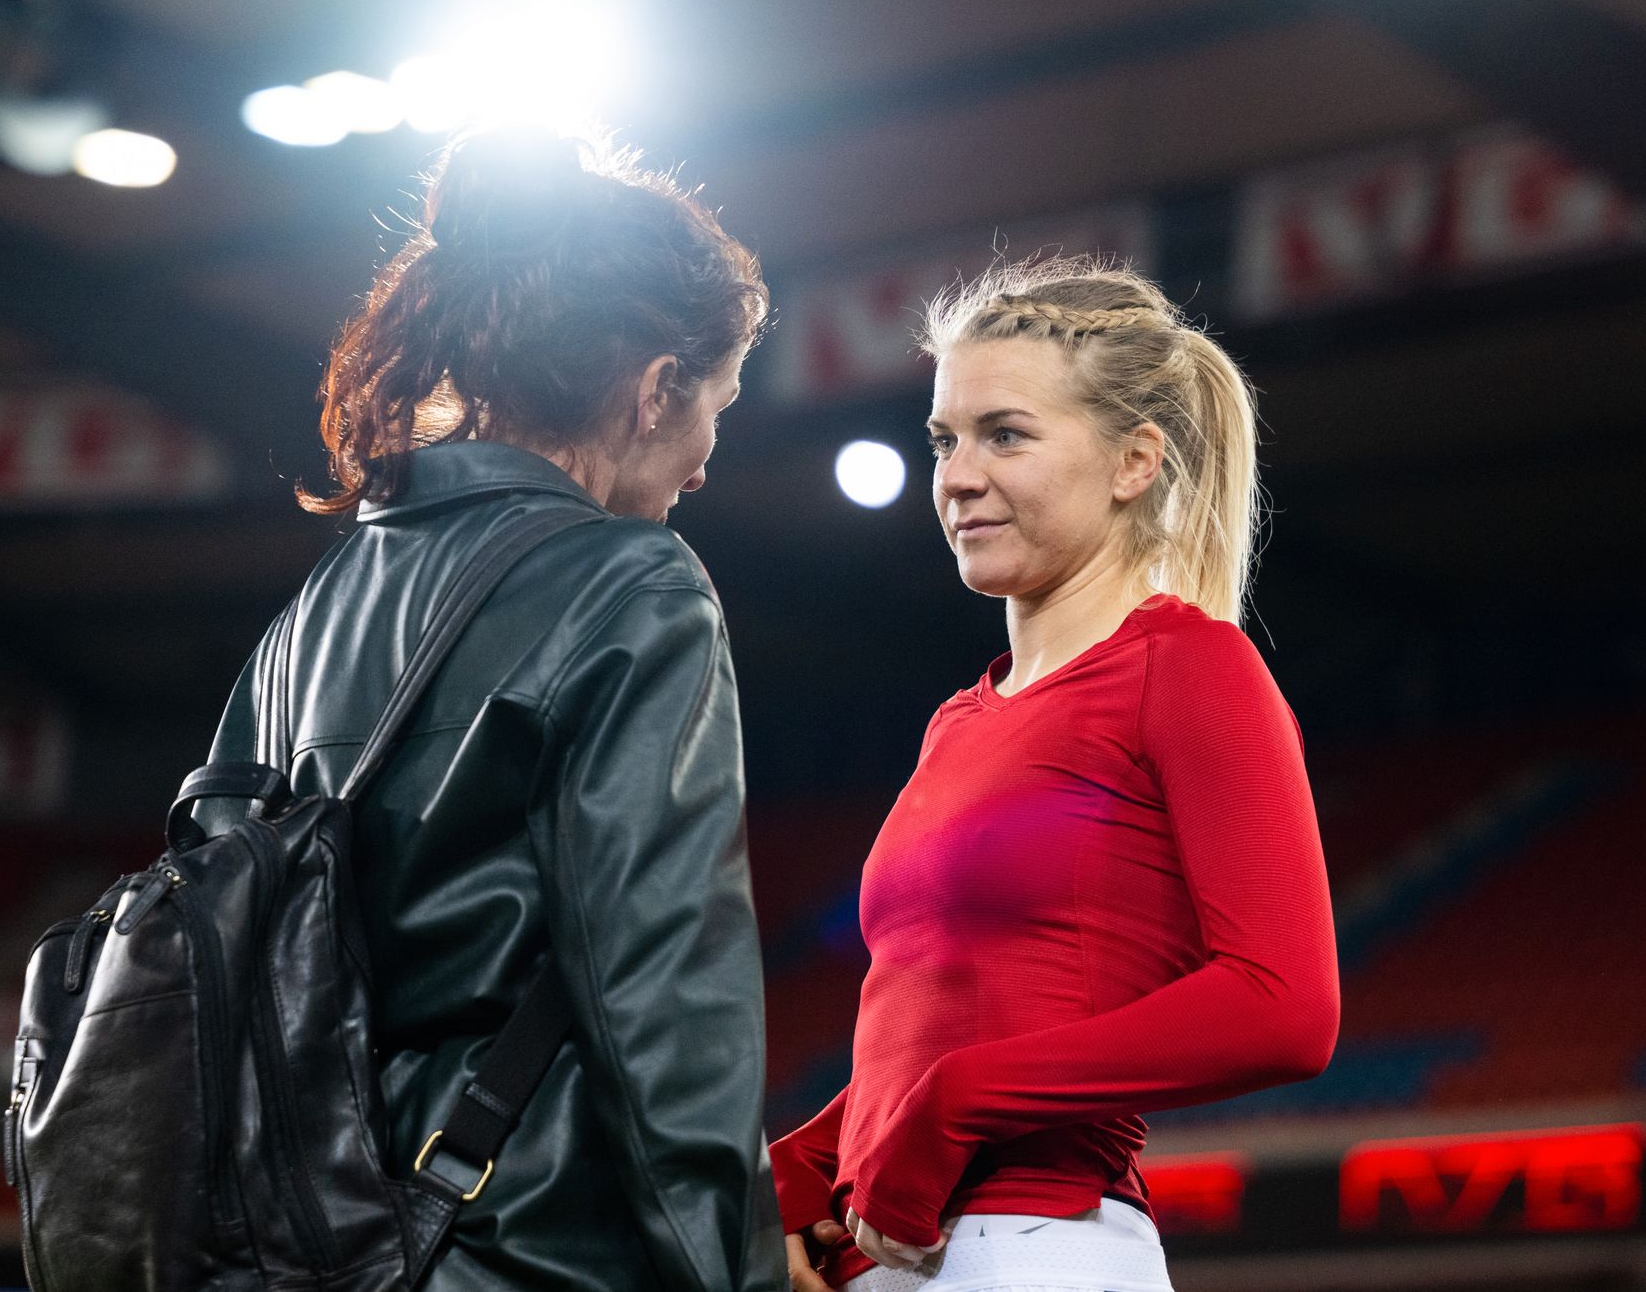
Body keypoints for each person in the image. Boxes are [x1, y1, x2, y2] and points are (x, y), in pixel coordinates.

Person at [201, 124, 785, 1291]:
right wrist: (734, 1273)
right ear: (653, 386)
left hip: (307, 1239)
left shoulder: (305, 616)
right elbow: (661, 992)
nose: (707, 461)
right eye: (714, 403)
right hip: (527, 1242)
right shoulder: (634, 581)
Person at [770, 256, 1340, 1292]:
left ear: (1133, 461)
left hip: (1040, 1247)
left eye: (1005, 434)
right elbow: (948, 1010)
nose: (955, 474)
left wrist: (951, 1106)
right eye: (944, 437)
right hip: (894, 1256)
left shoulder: (1190, 666)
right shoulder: (958, 717)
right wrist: (799, 1171)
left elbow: (1283, 1006)